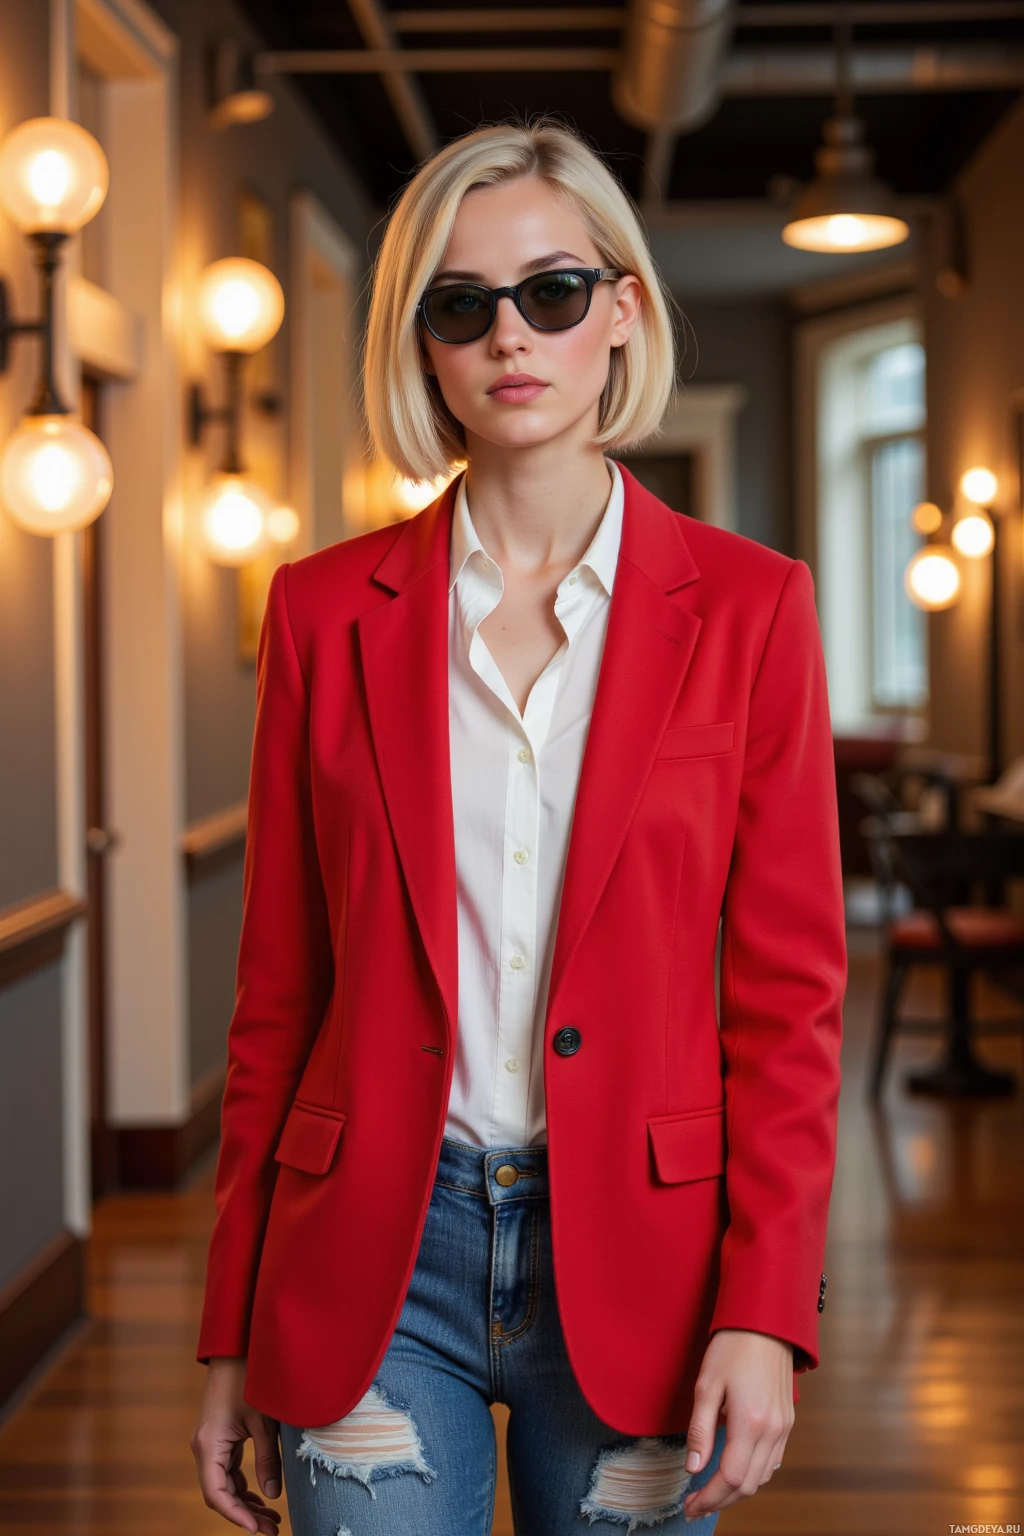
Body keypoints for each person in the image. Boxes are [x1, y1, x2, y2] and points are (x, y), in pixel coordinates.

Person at [190, 115, 846, 1536]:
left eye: (553, 291)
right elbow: (277, 999)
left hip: (649, 1259)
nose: (512, 337)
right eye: (461, 304)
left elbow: (791, 1002)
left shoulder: (753, 609)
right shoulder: (321, 612)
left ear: (621, 310)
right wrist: (230, 1326)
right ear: (422, 344)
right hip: (376, 1240)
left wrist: (767, 1309)